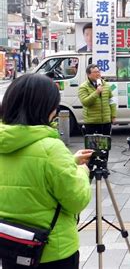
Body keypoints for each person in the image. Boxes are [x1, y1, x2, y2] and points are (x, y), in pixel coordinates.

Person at [0, 74, 92, 268]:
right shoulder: (51, 148)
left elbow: (26, 171)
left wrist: (70, 161)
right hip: (51, 250)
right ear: (46, 108)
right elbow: (76, 201)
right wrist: (82, 171)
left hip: (9, 244)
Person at [78, 64, 117, 136]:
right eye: (95, 72)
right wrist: (97, 92)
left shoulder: (106, 85)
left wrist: (113, 116)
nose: (98, 74)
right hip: (91, 122)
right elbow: (85, 102)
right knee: (92, 146)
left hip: (106, 122)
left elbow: (112, 101)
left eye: (98, 72)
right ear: (88, 74)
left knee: (105, 145)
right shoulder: (83, 87)